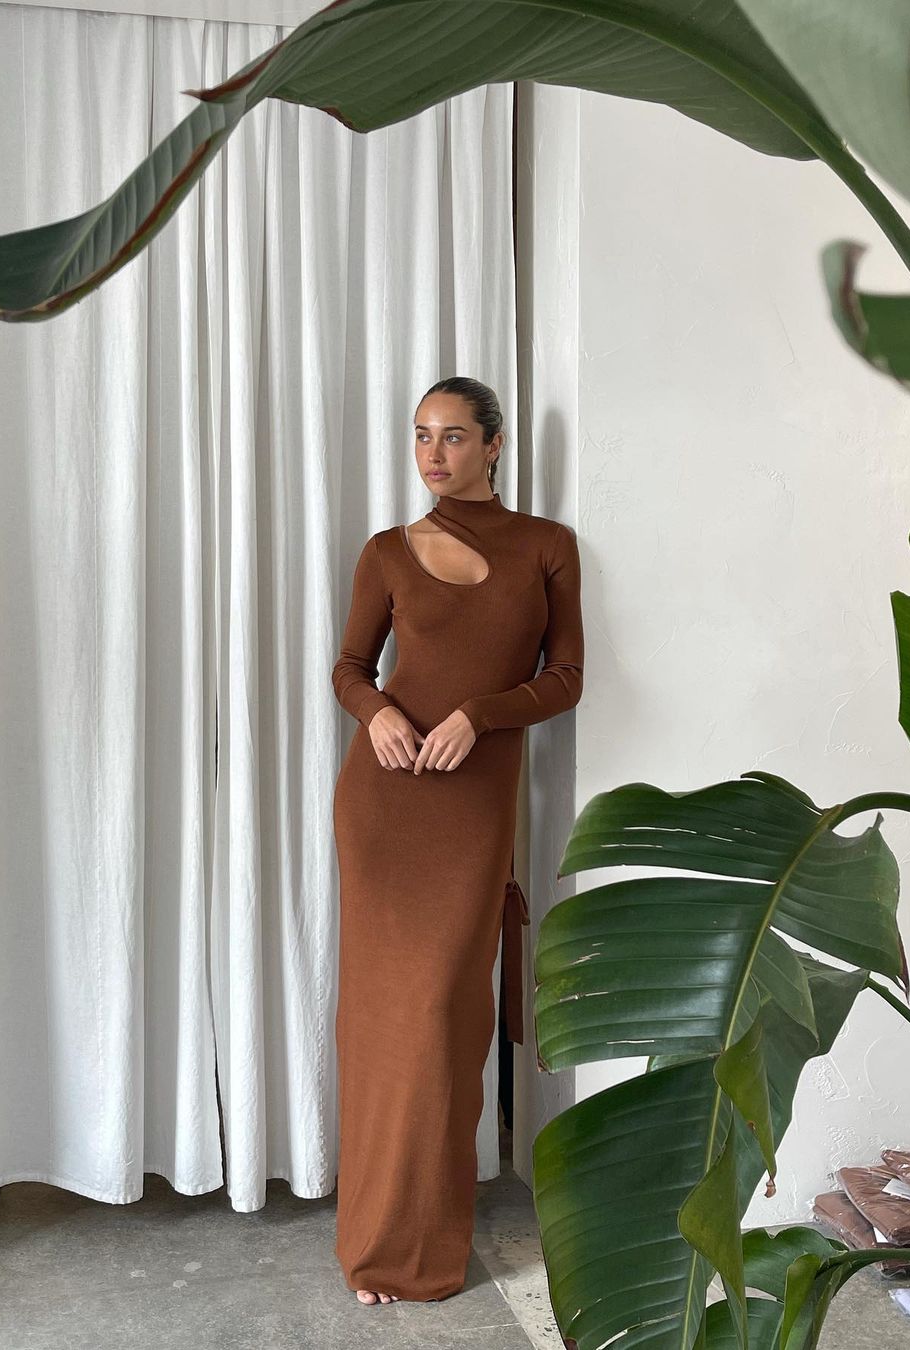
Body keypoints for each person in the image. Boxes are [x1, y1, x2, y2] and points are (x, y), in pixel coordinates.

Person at [330, 376, 585, 1305]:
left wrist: (480, 714)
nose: (433, 454)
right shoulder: (388, 551)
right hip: (384, 808)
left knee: (444, 1022)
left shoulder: (547, 547)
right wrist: (377, 715)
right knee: (386, 1027)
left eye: (453, 436)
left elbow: (566, 677)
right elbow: (349, 667)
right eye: (421, 436)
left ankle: (424, 1242)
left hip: (472, 816)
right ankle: (375, 1248)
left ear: (494, 445)